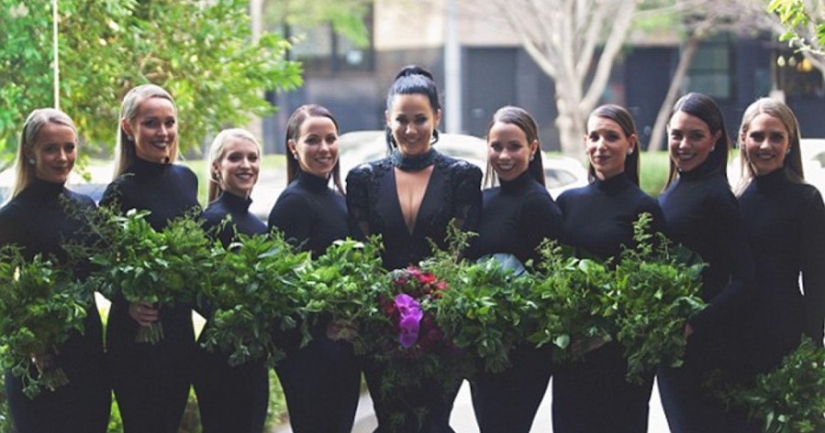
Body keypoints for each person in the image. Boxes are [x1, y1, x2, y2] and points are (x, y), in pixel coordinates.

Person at [346, 65, 483, 432]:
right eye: (402, 119)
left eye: (420, 119)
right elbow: (364, 258)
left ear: (437, 117)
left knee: (434, 422)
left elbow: (460, 253)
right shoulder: (363, 179)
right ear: (388, 119)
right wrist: (388, 313)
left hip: (442, 332)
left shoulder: (463, 177)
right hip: (381, 333)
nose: (410, 129)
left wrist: (433, 310)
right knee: (392, 422)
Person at [552, 104, 664, 433]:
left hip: (622, 355)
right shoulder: (567, 202)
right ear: (585, 141)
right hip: (573, 353)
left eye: (611, 137)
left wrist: (606, 333)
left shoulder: (645, 207)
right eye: (595, 137)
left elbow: (651, 288)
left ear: (630, 143)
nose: (601, 145)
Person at [0, 108, 111, 433]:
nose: (62, 157)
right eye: (51, 148)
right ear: (30, 153)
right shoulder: (12, 218)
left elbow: (104, 275)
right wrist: (31, 343)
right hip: (39, 358)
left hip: (88, 351)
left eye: (69, 147)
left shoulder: (86, 208)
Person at [100, 84, 200, 433]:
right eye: (151, 123)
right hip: (135, 332)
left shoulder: (187, 179)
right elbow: (97, 265)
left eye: (169, 122)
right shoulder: (119, 190)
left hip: (177, 328)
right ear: (128, 127)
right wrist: (126, 301)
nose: (163, 132)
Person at [656, 92, 755, 433]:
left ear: (715, 140)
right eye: (677, 134)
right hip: (671, 346)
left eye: (695, 136)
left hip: (704, 347)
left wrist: (694, 322)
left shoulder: (717, 195)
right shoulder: (670, 192)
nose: (684, 144)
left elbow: (744, 278)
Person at [467, 106, 562, 433]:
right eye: (496, 146)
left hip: (524, 351)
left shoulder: (538, 203)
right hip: (482, 344)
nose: (504, 155)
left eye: (514, 146)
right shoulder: (481, 200)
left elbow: (552, 282)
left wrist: (514, 330)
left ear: (533, 148)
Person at [268, 105, 360, 433]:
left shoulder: (340, 199)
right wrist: (324, 326)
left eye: (330, 139)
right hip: (308, 353)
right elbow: (283, 287)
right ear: (294, 146)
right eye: (313, 140)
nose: (324, 148)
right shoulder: (293, 202)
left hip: (343, 348)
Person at [736, 98, 825, 383]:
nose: (766, 146)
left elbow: (816, 281)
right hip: (737, 337)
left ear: (790, 144)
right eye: (757, 136)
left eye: (776, 137)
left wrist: (813, 350)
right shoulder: (732, 201)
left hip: (788, 336)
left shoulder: (807, 200)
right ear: (743, 140)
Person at [194, 128, 269, 433]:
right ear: (216, 168)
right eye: (235, 157)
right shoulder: (210, 222)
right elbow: (197, 290)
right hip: (219, 357)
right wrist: (235, 319)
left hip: (254, 355)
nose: (246, 165)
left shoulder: (261, 228)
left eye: (252, 158)